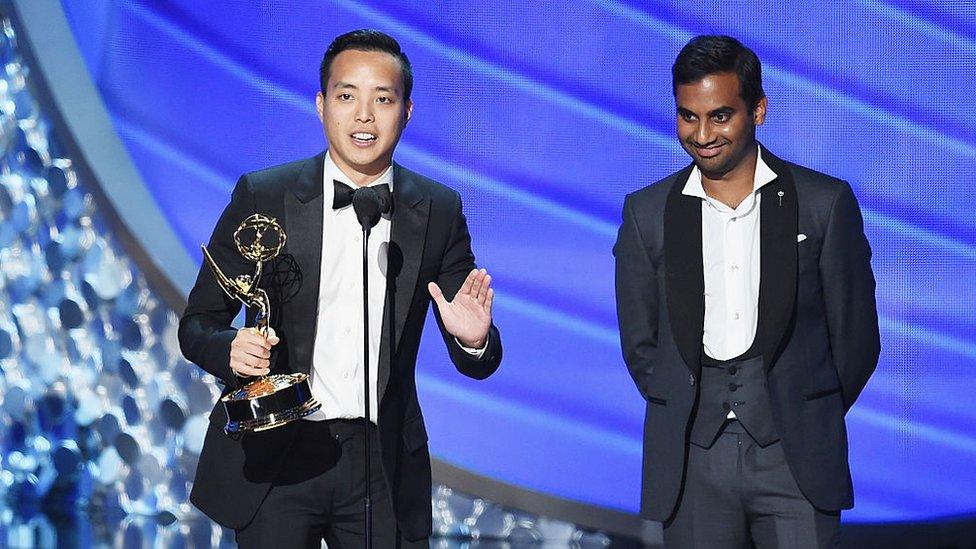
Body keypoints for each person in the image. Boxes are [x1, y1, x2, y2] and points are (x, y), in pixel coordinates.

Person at [179, 29, 502, 548]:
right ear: (321, 104)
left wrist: (473, 339)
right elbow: (197, 326)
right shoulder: (266, 195)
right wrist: (232, 351)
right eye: (347, 96)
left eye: (383, 99)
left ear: (408, 111)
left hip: (381, 462)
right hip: (279, 452)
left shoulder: (437, 210)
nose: (364, 116)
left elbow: (480, 358)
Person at [614, 35, 879, 548]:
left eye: (720, 116)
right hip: (693, 461)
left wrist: (807, 409)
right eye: (688, 117)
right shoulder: (648, 215)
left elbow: (856, 340)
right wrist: (691, 408)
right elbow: (641, 344)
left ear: (757, 110)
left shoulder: (823, 204)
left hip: (795, 461)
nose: (703, 133)